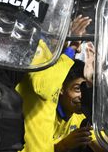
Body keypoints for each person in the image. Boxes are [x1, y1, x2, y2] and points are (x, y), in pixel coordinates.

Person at [16, 16, 91, 152]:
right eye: (71, 31)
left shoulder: (56, 63)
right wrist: (72, 48)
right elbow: (45, 88)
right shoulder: (37, 48)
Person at [54, 58, 105, 152]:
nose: (82, 96)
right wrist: (63, 145)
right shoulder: (45, 115)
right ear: (61, 88)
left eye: (84, 89)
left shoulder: (83, 117)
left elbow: (100, 143)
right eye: (77, 89)